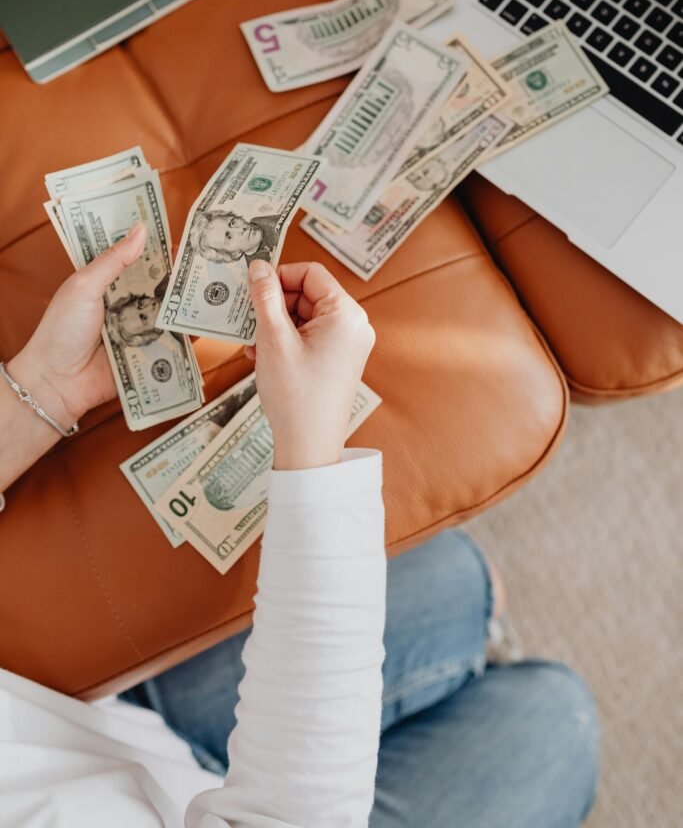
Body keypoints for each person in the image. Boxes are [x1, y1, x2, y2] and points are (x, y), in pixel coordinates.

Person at [0, 222, 599, 827]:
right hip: (218, 801)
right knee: (554, 720)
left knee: (460, 580)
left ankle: (468, 643)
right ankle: (471, 659)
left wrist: (46, 385)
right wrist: (311, 441)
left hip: (97, 715)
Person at [190, 210, 281, 265]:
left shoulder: (259, 220)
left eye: (232, 223)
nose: (241, 229)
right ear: (235, 254)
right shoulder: (258, 266)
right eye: (229, 237)